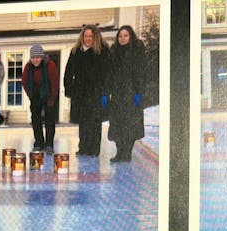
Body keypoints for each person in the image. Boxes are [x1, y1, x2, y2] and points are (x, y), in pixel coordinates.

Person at [63, 24, 108, 157]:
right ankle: (83, 148)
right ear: (82, 36)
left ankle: (94, 149)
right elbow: (68, 72)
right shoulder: (76, 51)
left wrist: (105, 92)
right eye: (86, 36)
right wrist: (69, 88)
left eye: (91, 36)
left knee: (94, 122)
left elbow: (107, 73)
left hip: (96, 92)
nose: (88, 38)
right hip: (80, 92)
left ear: (95, 37)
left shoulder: (102, 51)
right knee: (83, 122)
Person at [105, 25, 145, 163]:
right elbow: (108, 74)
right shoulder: (113, 52)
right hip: (117, 94)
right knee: (117, 124)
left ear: (131, 36)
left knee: (130, 125)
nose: (122, 38)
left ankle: (127, 153)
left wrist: (139, 92)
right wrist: (106, 93)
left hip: (131, 92)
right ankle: (119, 152)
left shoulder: (137, 51)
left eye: (125, 35)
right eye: (120, 36)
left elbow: (141, 72)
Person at [21, 44, 59, 153]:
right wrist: (30, 95)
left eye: (38, 57)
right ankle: (39, 142)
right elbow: (25, 82)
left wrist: (52, 99)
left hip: (48, 93)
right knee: (36, 120)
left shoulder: (50, 65)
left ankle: (49, 144)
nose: (35, 60)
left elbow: (55, 83)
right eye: (33, 58)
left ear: (42, 57)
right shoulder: (28, 67)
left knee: (49, 120)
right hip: (35, 95)